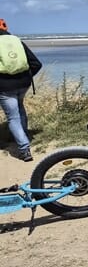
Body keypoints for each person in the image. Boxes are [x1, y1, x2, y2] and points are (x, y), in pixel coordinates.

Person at [0, 18, 42, 162]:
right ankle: (24, 137)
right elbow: (36, 64)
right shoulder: (17, 41)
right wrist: (26, 77)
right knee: (20, 109)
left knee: (13, 117)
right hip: (23, 84)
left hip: (4, 87)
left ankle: (24, 149)